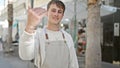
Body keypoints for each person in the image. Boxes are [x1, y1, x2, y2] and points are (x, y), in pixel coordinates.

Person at [19, 0, 79, 68]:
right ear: (47, 13)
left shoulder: (68, 37)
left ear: (62, 16)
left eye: (59, 12)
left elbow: (73, 63)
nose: (56, 14)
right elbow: (26, 55)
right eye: (53, 10)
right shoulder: (38, 34)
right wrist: (29, 27)